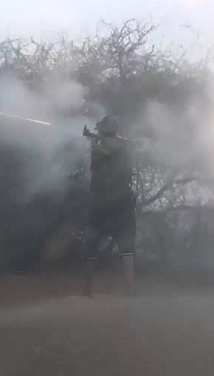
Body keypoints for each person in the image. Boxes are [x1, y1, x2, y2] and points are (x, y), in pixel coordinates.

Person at [82, 115, 136, 297]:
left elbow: (104, 154)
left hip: (104, 203)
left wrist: (94, 143)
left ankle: (87, 291)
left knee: (92, 246)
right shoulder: (124, 145)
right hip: (119, 202)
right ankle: (130, 292)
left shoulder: (106, 146)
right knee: (126, 249)